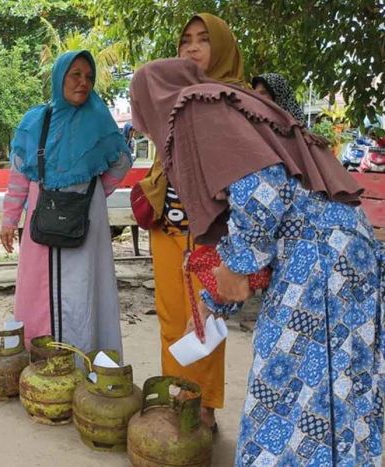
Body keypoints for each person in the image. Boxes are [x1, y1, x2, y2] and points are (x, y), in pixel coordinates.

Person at [131, 57, 384, 466]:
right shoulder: (234, 106)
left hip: (317, 258)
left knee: (291, 396)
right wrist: (218, 299)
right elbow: (259, 209)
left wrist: (236, 266)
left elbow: (263, 194)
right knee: (333, 391)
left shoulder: (196, 106)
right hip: (340, 252)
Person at [136, 13, 244, 430]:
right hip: (169, 229)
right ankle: (174, 393)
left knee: (204, 320)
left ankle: (203, 406)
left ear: (223, 49)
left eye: (203, 40)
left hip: (211, 234)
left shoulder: (235, 102)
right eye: (186, 41)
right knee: (170, 317)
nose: (193, 48)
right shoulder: (172, 102)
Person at [0, 50, 131, 356]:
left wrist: (93, 193)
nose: (83, 82)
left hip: (86, 218)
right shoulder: (35, 121)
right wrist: (9, 219)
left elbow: (121, 161)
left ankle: (82, 360)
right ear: (59, 77)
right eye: (75, 74)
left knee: (84, 287)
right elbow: (19, 174)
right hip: (42, 213)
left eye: (88, 76)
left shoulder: (99, 119)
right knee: (38, 286)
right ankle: (42, 357)